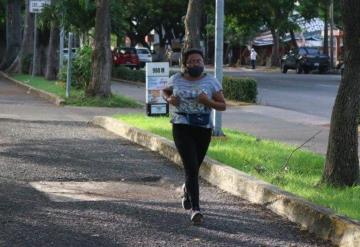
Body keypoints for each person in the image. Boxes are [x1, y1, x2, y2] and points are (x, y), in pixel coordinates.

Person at [162, 48, 226, 225]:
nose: (195, 64)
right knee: (190, 167)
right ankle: (196, 209)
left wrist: (208, 102)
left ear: (203, 63)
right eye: (192, 61)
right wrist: (169, 100)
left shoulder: (211, 81)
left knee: (194, 168)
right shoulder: (176, 78)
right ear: (185, 64)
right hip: (181, 127)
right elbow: (165, 91)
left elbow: (222, 106)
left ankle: (186, 190)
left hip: (203, 128)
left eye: (198, 61)